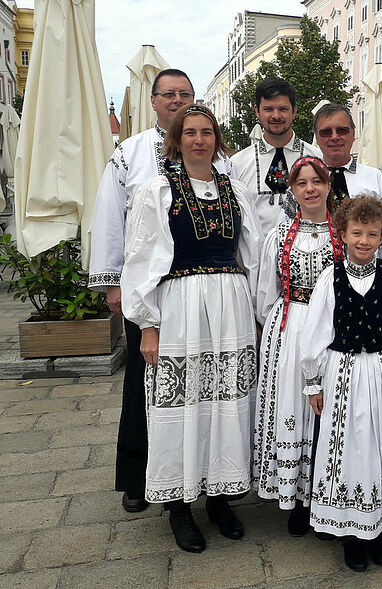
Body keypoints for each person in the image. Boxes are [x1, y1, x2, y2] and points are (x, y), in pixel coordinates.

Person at [89, 69, 233, 514]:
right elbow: (111, 218)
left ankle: (212, 480)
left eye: (185, 94)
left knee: (209, 388)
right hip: (152, 290)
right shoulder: (129, 153)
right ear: (153, 101)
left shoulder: (220, 165)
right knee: (146, 385)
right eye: (168, 94)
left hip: (211, 295)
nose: (176, 100)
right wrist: (111, 280)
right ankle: (140, 476)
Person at [120, 104, 260, 553]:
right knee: (180, 405)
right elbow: (141, 261)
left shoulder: (236, 188)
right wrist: (147, 325)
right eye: (190, 133)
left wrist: (261, 311)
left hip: (230, 306)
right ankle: (179, 506)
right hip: (180, 304)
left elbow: (253, 255)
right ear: (176, 140)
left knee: (226, 401)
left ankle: (219, 496)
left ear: (218, 139)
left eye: (207, 133)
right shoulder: (157, 189)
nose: (199, 140)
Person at [299, 196, 382, 572]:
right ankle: (350, 531)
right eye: (357, 232)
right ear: (343, 234)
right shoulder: (330, 277)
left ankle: (380, 525)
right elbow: (317, 330)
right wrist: (313, 381)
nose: (364, 241)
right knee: (348, 445)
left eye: (372, 234)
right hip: (343, 371)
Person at [252, 156, 343, 535]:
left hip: (336, 330)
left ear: (328, 186)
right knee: (293, 404)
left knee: (330, 410)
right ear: (292, 189)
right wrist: (271, 328)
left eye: (316, 181)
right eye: (302, 183)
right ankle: (296, 498)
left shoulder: (345, 232)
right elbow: (266, 292)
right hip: (290, 327)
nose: (309, 188)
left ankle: (326, 493)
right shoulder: (280, 234)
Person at [230, 77, 322, 236]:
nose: (276, 115)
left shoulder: (317, 158)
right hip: (256, 258)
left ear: (294, 111)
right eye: (268, 109)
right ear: (257, 111)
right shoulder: (237, 164)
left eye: (283, 109)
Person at [312, 103, 382, 210]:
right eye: (326, 132)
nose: (334, 137)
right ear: (316, 138)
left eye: (341, 130)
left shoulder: (375, 178)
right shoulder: (303, 182)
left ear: (353, 134)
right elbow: (287, 223)